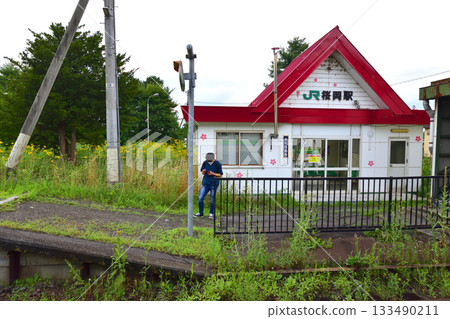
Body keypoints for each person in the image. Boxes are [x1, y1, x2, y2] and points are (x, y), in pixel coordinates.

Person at [195, 152, 223, 219]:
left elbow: (220, 174)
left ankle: (211, 213)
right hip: (205, 184)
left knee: (212, 199)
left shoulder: (217, 164)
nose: (208, 161)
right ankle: (201, 213)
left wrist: (213, 173)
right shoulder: (205, 163)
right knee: (200, 198)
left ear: (213, 158)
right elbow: (202, 172)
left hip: (214, 184)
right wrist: (203, 171)